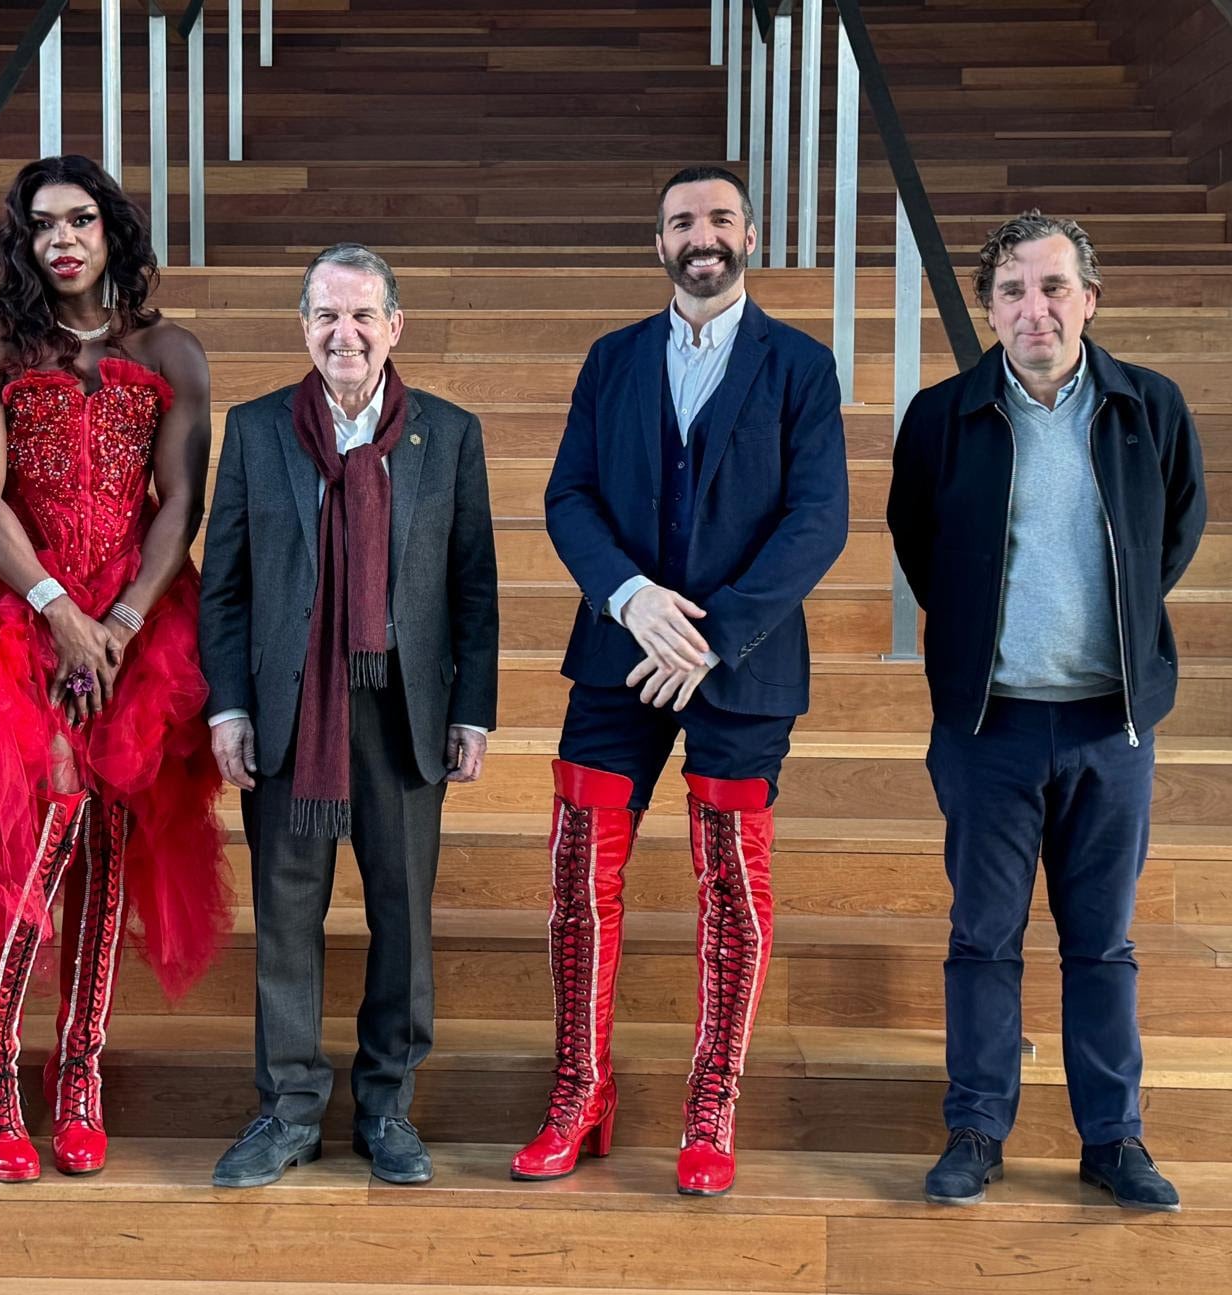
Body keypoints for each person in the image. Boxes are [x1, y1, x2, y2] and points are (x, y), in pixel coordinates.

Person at [0, 155, 231, 1183]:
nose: (63, 239)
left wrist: (118, 619)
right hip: (15, 612)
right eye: (43, 226)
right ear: (24, 241)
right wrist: (58, 613)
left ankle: (77, 1073)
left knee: (112, 838)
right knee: (49, 824)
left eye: (81, 220)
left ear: (114, 232)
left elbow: (181, 503)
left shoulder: (173, 350)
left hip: (141, 619)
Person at [511, 167, 848, 1196]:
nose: (699, 237)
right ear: (656, 241)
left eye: (716, 219)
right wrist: (627, 597)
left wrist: (711, 635)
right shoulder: (612, 359)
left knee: (731, 890)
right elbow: (566, 495)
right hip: (618, 653)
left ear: (748, 234)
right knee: (578, 873)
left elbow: (817, 520)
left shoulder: (798, 363)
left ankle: (714, 1102)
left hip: (742, 665)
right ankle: (580, 1090)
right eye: (678, 222)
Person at [889, 211, 1206, 1211]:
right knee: (982, 935)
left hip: (1108, 726)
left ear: (1090, 300)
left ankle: (1112, 1139)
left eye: (1055, 286)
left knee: (1100, 941)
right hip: (990, 727)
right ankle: (976, 1127)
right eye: (1015, 291)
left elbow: (1175, 527)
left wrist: (1112, 633)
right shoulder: (942, 418)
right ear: (988, 310)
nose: (1036, 308)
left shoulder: (1147, 408)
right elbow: (919, 541)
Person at [199, 242, 499, 1188]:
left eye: (364, 314)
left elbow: (472, 587)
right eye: (327, 315)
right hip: (292, 716)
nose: (346, 333)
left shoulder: (447, 435)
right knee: (288, 915)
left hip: (405, 710)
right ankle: (288, 1111)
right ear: (304, 327)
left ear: (395, 326)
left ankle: (387, 1108)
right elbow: (227, 589)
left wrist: (474, 710)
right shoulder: (253, 431)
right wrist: (230, 705)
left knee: (402, 917)